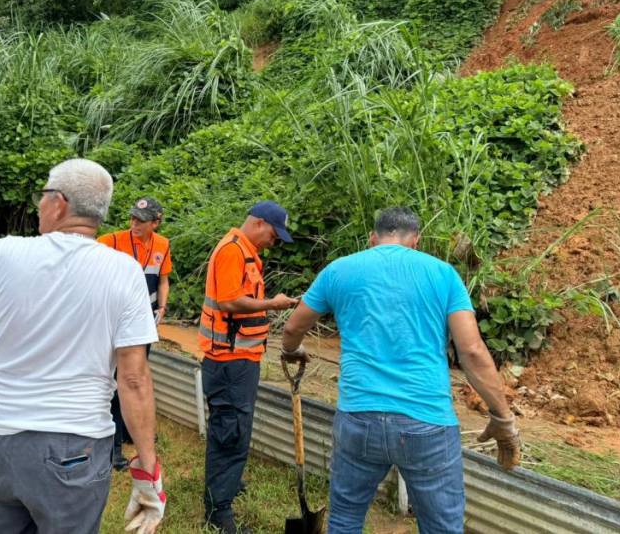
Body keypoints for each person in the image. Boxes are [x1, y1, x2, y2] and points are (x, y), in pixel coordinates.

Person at [0, 159, 166, 534]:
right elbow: (134, 379)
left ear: (59, 203)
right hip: (75, 445)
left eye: (42, 196)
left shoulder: (1, 254)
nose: (39, 205)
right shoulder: (124, 271)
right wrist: (147, 469)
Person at [281, 207, 521, 534]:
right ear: (416, 241)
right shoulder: (443, 274)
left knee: (345, 519)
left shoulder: (338, 270)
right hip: (427, 423)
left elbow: (293, 327)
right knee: (442, 528)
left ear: (372, 239)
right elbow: (472, 351)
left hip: (358, 419)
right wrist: (502, 418)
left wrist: (292, 351)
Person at [198, 200, 299, 534]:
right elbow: (228, 301)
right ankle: (218, 511)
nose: (275, 241)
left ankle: (223, 485)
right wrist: (273, 303)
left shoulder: (246, 253)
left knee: (232, 426)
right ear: (257, 223)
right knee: (231, 431)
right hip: (228, 361)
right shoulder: (232, 251)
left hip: (241, 359)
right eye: (273, 233)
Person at [98, 197, 172, 470]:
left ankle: (129, 431)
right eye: (132, 218)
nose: (134, 224)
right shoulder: (110, 241)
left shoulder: (162, 245)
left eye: (141, 221)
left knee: (135, 375)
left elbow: (163, 280)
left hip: (144, 321)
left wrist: (162, 307)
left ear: (155, 222)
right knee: (119, 381)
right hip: (115, 320)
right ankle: (112, 445)